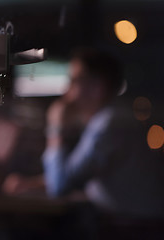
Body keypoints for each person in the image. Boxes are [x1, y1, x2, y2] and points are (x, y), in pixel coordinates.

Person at [43, 47, 164, 218]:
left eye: (74, 81)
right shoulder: (114, 117)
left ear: (97, 87)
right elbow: (78, 175)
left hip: (135, 230)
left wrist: (56, 127)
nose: (66, 90)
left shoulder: (110, 124)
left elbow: (60, 186)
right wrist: (31, 185)